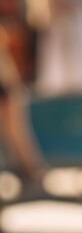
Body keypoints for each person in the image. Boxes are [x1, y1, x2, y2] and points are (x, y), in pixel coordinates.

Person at [0, 23, 47, 194]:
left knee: (18, 136)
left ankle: (34, 178)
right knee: (16, 137)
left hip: (7, 89)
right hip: (8, 88)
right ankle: (31, 177)